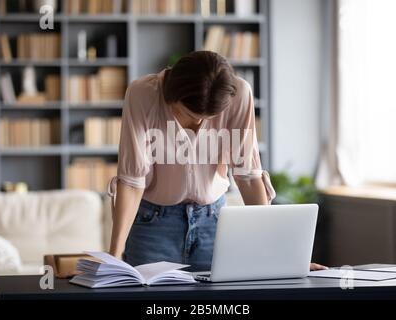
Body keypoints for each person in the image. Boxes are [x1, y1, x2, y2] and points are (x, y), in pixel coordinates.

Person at [107, 51, 326, 272]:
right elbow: (132, 181)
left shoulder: (238, 95)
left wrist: (279, 255)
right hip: (153, 226)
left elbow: (248, 177)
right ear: (172, 94)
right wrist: (113, 259)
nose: (199, 122)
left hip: (214, 223)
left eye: (208, 118)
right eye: (190, 114)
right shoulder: (142, 94)